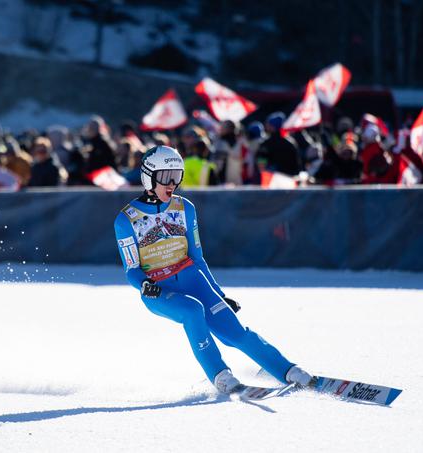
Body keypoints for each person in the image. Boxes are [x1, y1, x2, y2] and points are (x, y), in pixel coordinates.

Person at [113, 145, 313, 395]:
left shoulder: (185, 208)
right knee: (193, 311)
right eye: (166, 177)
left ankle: (288, 370)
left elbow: (197, 257)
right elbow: (131, 269)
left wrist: (219, 294)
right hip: (159, 290)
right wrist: (144, 284)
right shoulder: (126, 219)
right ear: (148, 177)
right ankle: (219, 374)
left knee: (235, 332)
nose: (172, 184)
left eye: (177, 176)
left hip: (191, 277)